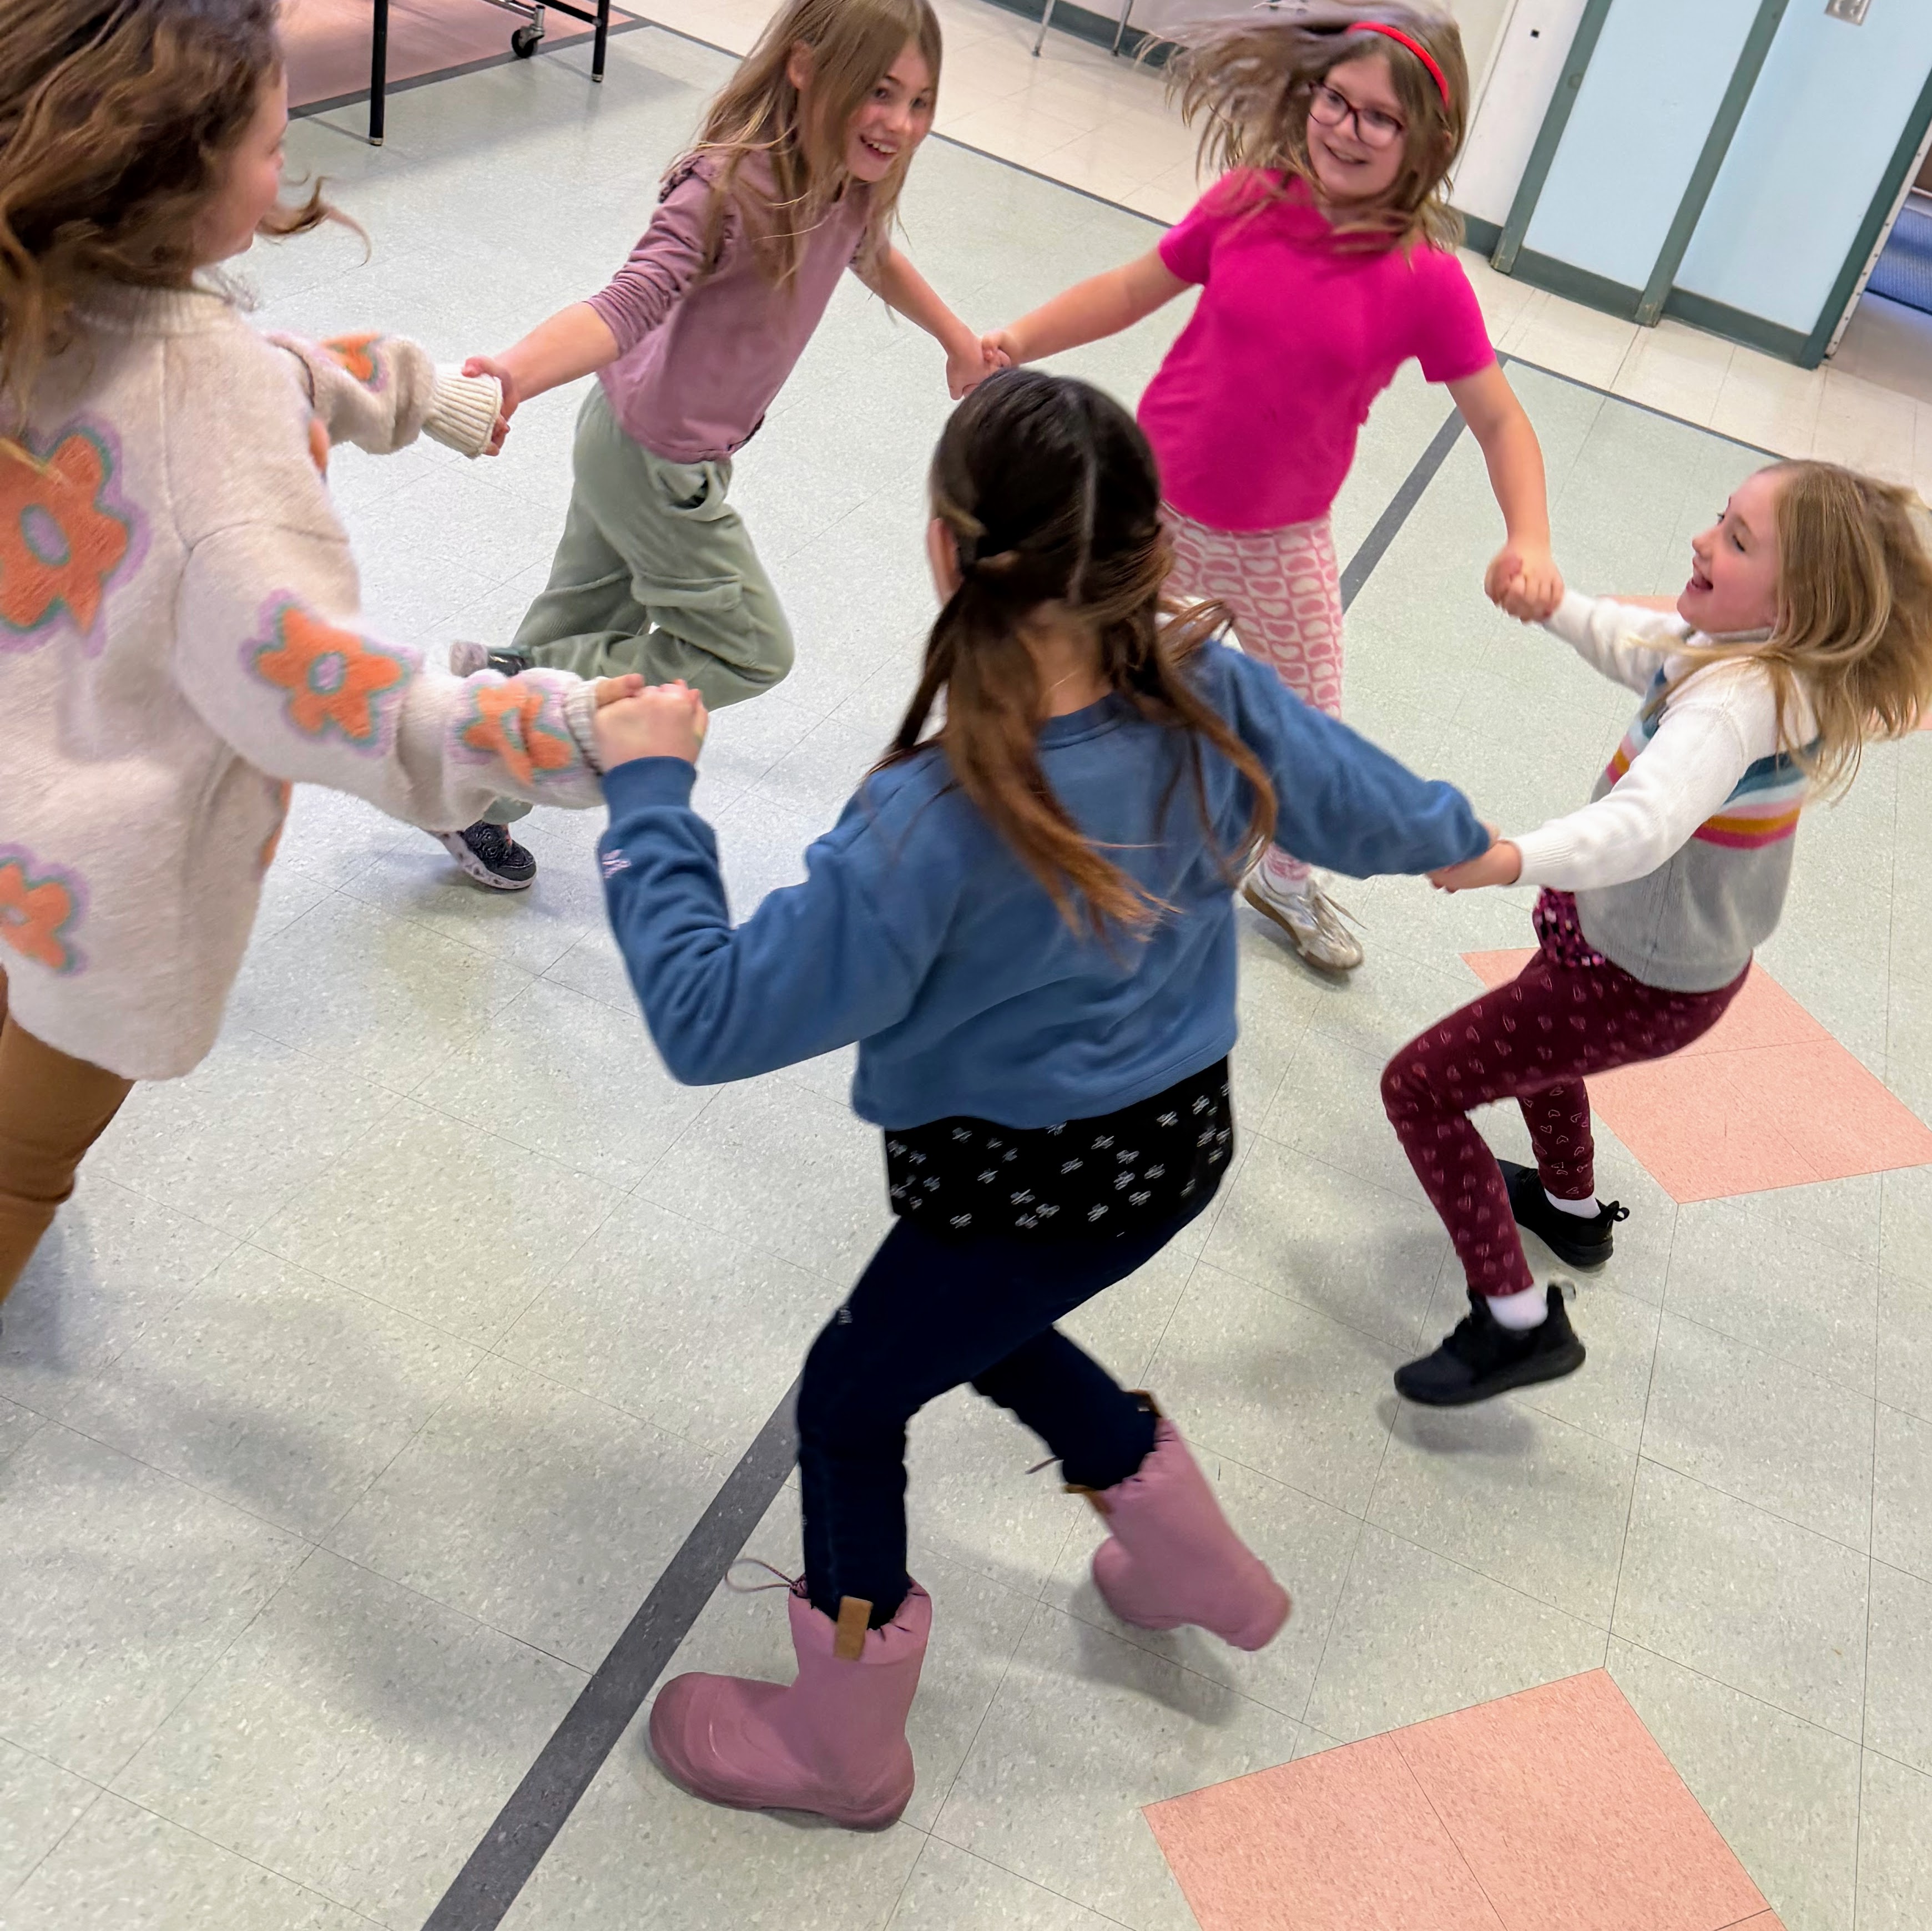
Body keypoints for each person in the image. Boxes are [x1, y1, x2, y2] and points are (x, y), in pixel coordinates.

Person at [588, 370, 1492, 1827]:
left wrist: (649, 797)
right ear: (1147, 554)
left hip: (1003, 1181)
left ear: (947, 552)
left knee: (853, 1394)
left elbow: (711, 1019)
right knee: (992, 1327)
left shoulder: (932, 819)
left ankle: (841, 1744)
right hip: (1176, 1148)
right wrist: (1472, 841)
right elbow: (1365, 800)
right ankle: (1181, 1551)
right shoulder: (1217, 693)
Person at [0, 0, 639, 1307]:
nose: (282, 169)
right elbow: (317, 692)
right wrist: (546, 730)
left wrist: (412, 387)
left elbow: (271, 370)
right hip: (95, 894)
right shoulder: (216, 402)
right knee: (18, 1170)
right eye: (270, 142)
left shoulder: (34, 297)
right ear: (179, 169)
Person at [983, 1, 1559, 972]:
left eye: (1381, 117)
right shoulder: (1249, 200)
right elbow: (1132, 288)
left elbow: (1499, 418)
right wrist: (1019, 344)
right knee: (1085, 678)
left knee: (1307, 730)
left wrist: (1529, 537)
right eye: (1337, 99)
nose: (1346, 127)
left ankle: (1284, 882)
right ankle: (1034, 822)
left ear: (1430, 139)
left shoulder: (1423, 277)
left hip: (1280, 539)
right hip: (1151, 509)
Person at [1384, 461, 1932, 1406]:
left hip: (1635, 976)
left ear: (1798, 603)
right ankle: (1571, 1211)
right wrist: (1549, 604)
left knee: (1420, 1088)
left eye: (1737, 540)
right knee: (1538, 1048)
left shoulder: (1736, 704)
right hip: (1640, 952)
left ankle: (1514, 1323)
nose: (1702, 540)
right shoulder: (1752, 656)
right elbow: (1642, 644)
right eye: (1720, 517)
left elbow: (1641, 826)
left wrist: (1509, 857)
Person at [441, 0, 990, 891]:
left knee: (586, 623)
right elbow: (628, 299)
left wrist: (955, 338)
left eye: (920, 102)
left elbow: (870, 251)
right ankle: (517, 682)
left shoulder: (845, 183)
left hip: (631, 437)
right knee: (749, 648)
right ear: (806, 69)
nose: (899, 123)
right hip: (655, 464)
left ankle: (470, 797)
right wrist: (513, 372)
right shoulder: (729, 185)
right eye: (879, 92)